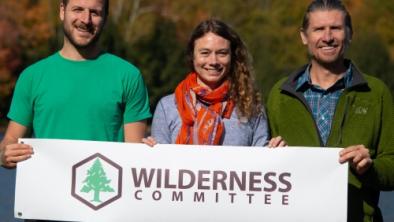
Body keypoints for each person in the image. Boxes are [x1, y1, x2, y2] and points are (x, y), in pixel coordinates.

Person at [266, 0, 394, 221]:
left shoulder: (376, 93)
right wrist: (269, 159)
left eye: (335, 28)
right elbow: (263, 170)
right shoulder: (279, 95)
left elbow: (392, 168)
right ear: (304, 36)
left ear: (349, 33)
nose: (327, 37)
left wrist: (369, 167)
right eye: (318, 29)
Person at [0, 0, 151, 168]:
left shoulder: (128, 76)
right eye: (78, 9)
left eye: (95, 13)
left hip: (104, 190)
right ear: (62, 11)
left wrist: (150, 152)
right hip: (44, 190)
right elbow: (11, 139)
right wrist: (5, 154)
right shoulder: (32, 77)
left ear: (105, 18)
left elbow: (136, 155)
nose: (86, 20)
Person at [144, 19, 285, 147]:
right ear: (192, 56)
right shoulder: (168, 107)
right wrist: (150, 152)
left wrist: (274, 152)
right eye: (205, 53)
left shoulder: (250, 106)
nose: (213, 61)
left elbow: (261, 165)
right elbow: (161, 169)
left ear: (233, 57)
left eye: (222, 53)